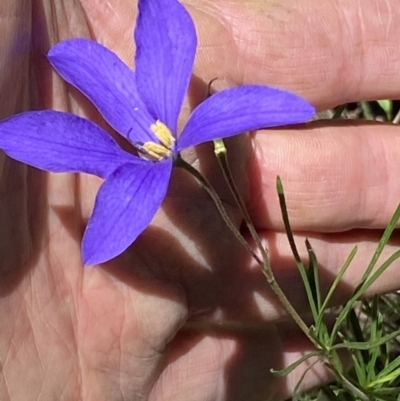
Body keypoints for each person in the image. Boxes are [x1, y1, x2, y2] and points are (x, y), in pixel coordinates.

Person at [1, 0, 399, 400]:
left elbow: (163, 31)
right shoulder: (145, 172)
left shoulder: (180, 134)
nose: (155, 141)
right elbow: (72, 68)